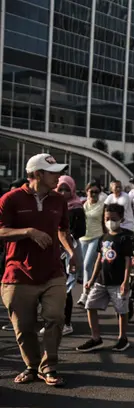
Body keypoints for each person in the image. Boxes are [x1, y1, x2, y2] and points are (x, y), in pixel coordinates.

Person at [0, 154, 75, 387]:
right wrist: (29, 231)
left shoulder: (59, 200)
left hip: (53, 272)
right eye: (53, 173)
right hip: (18, 273)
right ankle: (32, 366)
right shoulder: (10, 199)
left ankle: (49, 365)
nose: (58, 177)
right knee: (24, 326)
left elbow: (63, 230)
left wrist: (73, 253)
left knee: (55, 317)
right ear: (38, 174)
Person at [76, 204, 134, 352]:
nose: (110, 222)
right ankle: (96, 338)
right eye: (107, 218)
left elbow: (128, 261)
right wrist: (91, 279)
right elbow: (99, 260)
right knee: (90, 305)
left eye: (113, 219)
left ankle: (123, 338)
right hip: (101, 282)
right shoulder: (103, 237)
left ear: (121, 219)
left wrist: (125, 281)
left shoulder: (125, 238)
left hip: (117, 282)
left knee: (121, 310)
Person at [49, 175, 85, 336]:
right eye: (60, 189)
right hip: (51, 250)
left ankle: (67, 323)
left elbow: (81, 230)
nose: (63, 193)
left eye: (66, 189)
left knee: (66, 288)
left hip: (69, 250)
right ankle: (52, 322)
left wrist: (68, 239)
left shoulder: (76, 207)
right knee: (49, 287)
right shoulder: (52, 205)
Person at [77, 181, 106, 307]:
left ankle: (85, 294)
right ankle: (93, 288)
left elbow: (105, 223)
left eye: (96, 192)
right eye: (91, 191)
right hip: (83, 238)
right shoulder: (83, 205)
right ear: (86, 192)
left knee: (87, 265)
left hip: (97, 237)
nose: (94, 194)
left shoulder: (103, 205)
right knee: (83, 267)